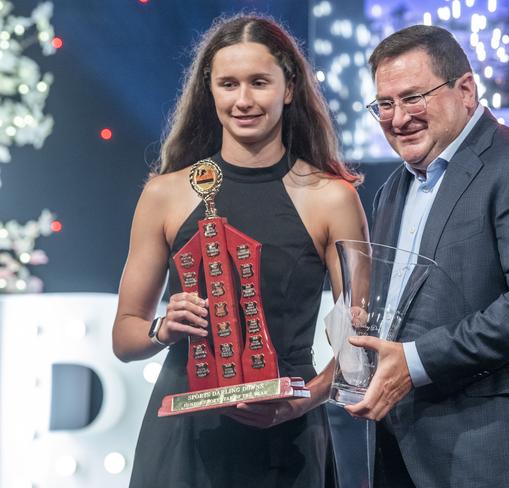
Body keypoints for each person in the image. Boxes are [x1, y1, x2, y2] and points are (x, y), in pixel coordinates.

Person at [344, 25, 509, 487]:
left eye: (413, 97)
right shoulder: (393, 190)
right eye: (384, 104)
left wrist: (415, 360)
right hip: (409, 449)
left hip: (507, 450)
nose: (397, 117)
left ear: (465, 90)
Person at [112, 14, 368, 488]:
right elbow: (125, 337)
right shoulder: (165, 194)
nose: (243, 100)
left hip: (287, 435)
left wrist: (306, 399)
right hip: (184, 436)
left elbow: (361, 339)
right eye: (228, 84)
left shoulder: (332, 196)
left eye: (259, 82)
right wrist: (164, 327)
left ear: (288, 89)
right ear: (210, 92)